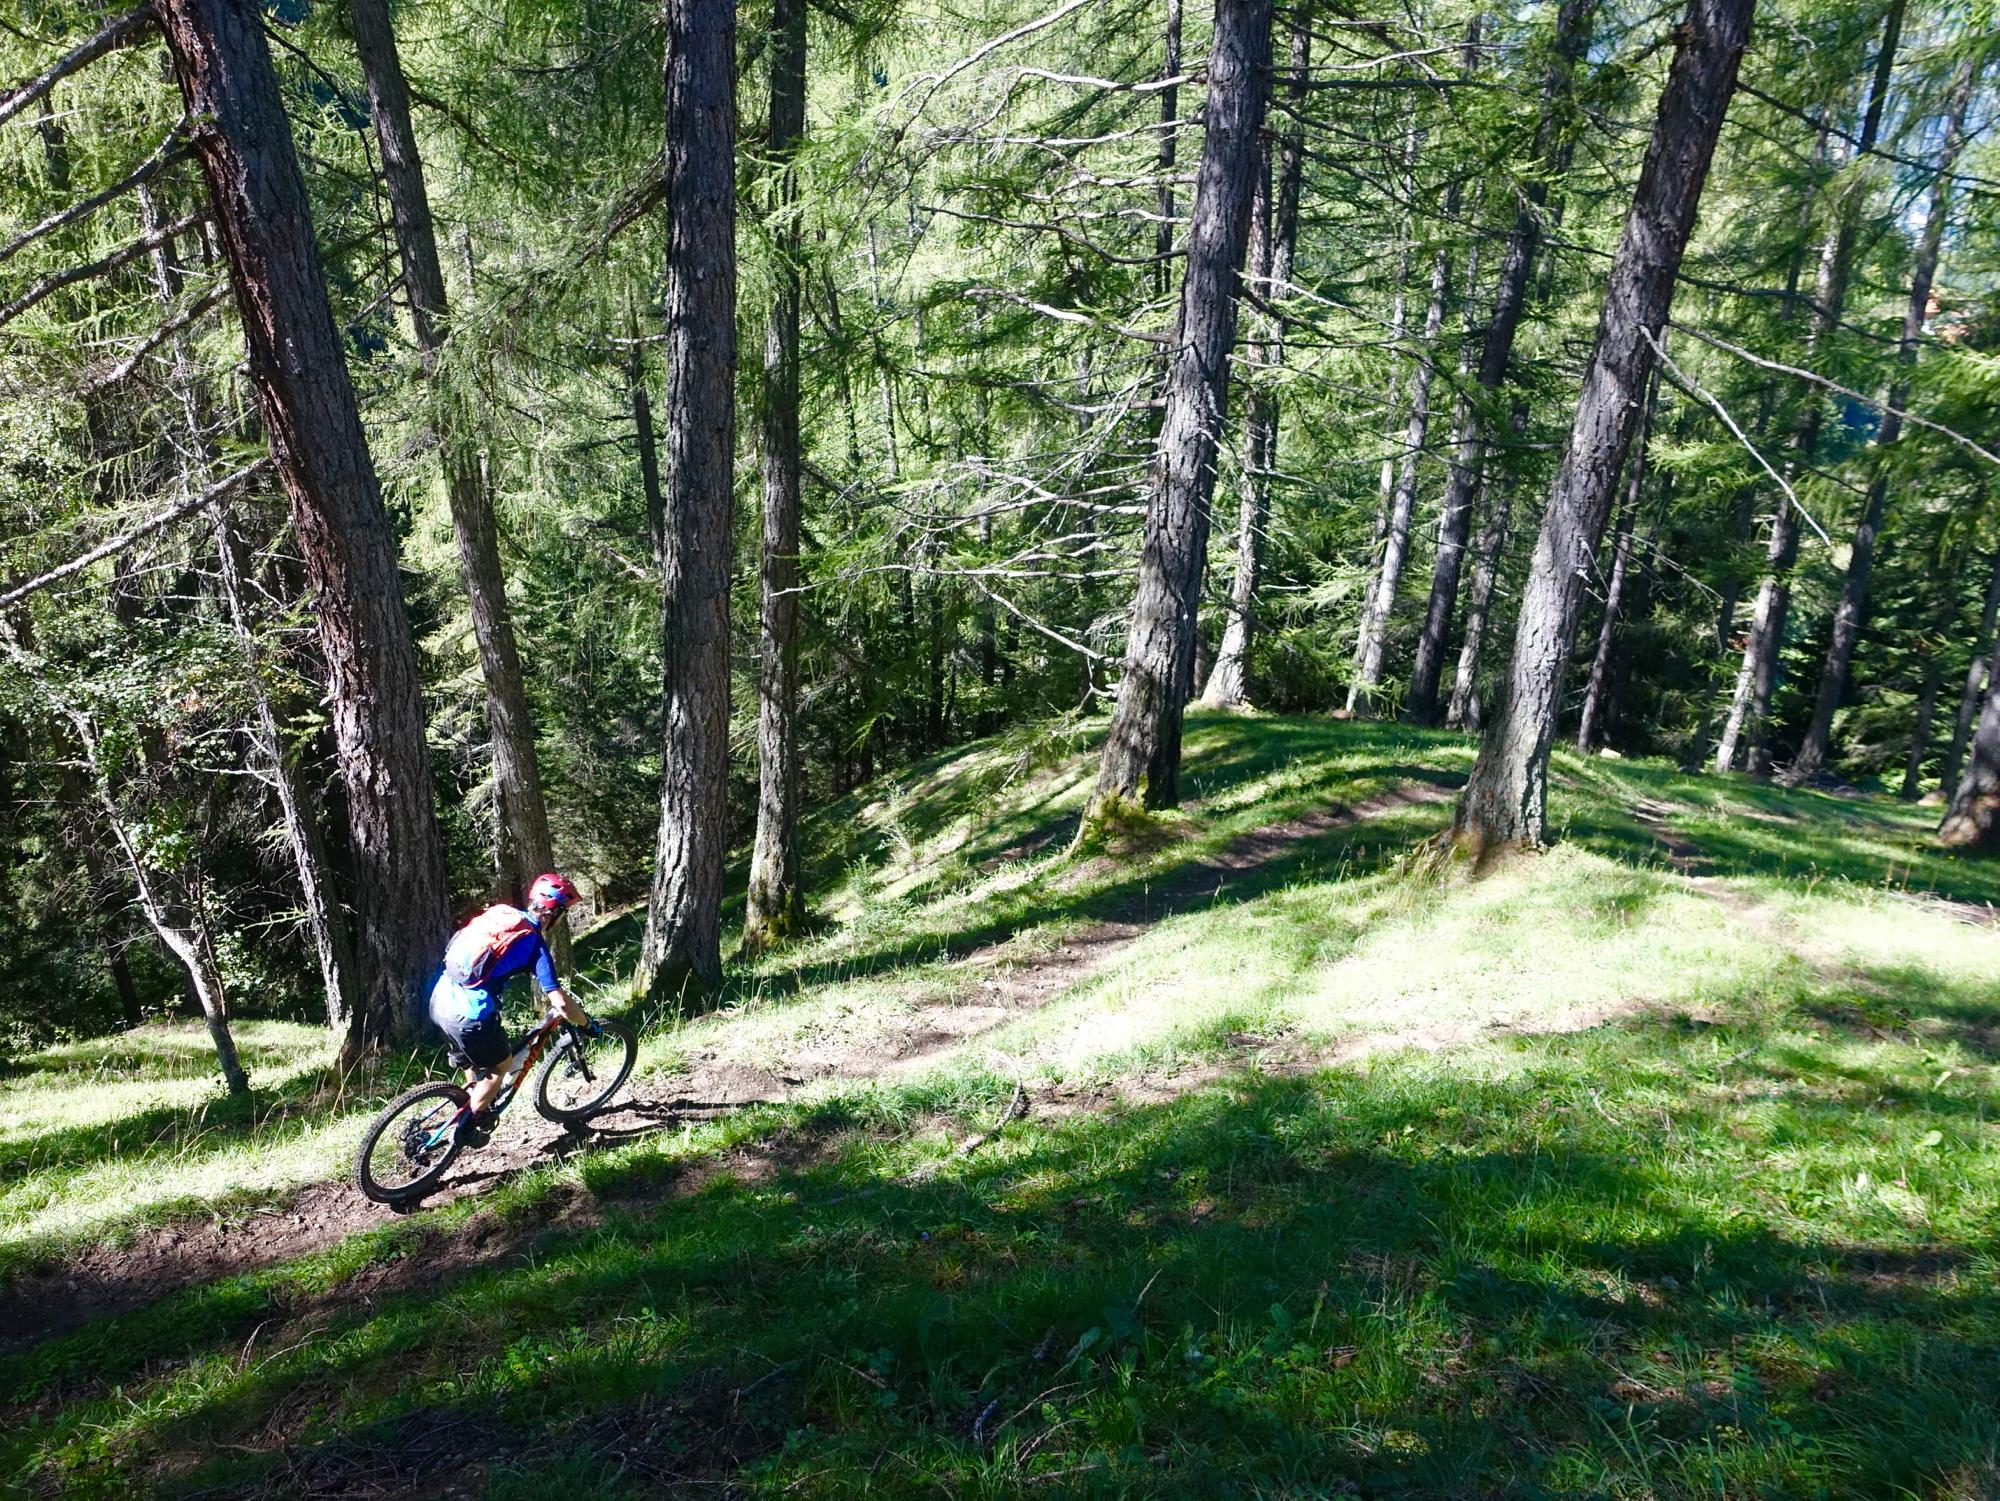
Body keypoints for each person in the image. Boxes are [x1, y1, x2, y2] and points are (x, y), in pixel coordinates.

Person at [428, 872, 594, 1142]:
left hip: (440, 998)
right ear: (556, 912)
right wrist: (586, 1025)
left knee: (472, 1058)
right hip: (469, 1015)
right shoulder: (535, 944)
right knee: (499, 1066)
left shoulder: (502, 914)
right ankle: (468, 1128)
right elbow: (560, 1001)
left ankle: (472, 1099)